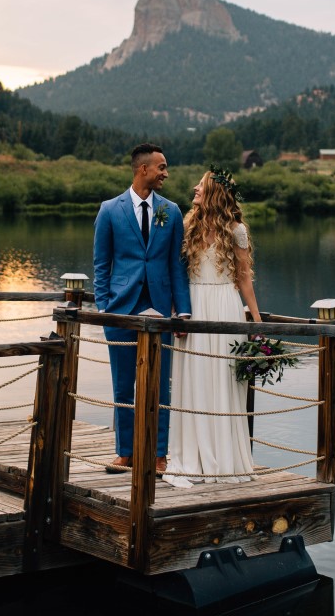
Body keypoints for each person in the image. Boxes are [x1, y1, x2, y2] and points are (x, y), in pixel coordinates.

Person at [93, 143, 192, 475]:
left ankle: (158, 454)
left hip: (161, 310)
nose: (166, 173)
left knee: (160, 387)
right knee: (123, 386)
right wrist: (105, 308)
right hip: (120, 310)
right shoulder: (109, 210)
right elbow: (101, 265)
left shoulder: (172, 211)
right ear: (143, 169)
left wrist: (183, 312)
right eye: (161, 167)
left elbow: (178, 268)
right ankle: (125, 452)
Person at [164, 166, 259, 488]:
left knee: (221, 379)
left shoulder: (237, 230)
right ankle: (191, 454)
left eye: (201, 186)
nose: (194, 188)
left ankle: (224, 458)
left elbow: (244, 279)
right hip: (193, 308)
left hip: (224, 307)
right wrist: (178, 310)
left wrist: (256, 324)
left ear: (214, 194)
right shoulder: (187, 225)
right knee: (194, 379)